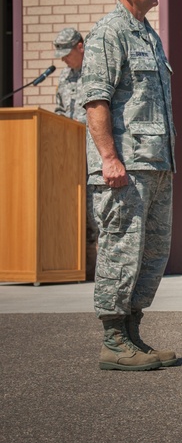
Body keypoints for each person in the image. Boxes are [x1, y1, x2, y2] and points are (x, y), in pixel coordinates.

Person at [81, 0, 176, 371]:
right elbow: (96, 101)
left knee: (152, 254)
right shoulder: (109, 33)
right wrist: (108, 158)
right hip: (125, 167)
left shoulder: (146, 34)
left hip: (155, 164)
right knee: (121, 249)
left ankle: (133, 332)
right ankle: (113, 340)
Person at [53, 26, 99, 280]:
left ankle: (97, 272)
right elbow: (60, 112)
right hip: (70, 158)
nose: (63, 58)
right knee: (74, 214)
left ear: (80, 47)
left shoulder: (97, 70)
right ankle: (77, 269)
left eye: (66, 52)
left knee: (95, 215)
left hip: (95, 153)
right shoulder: (65, 77)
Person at [53, 27, 87, 124]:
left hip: (91, 136)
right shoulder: (64, 75)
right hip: (67, 136)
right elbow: (60, 109)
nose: (63, 59)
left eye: (67, 55)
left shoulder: (98, 72)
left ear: (80, 47)